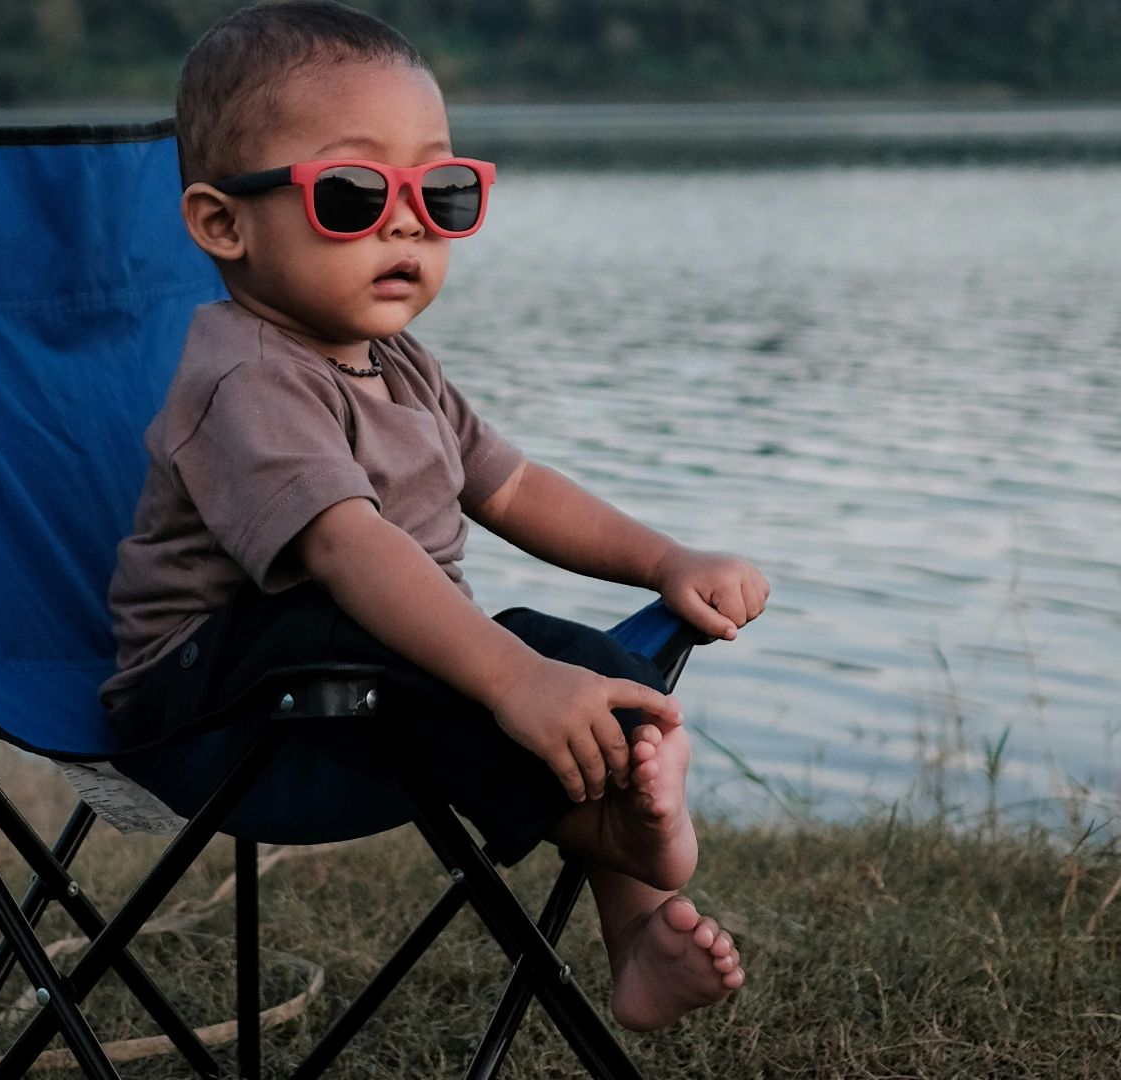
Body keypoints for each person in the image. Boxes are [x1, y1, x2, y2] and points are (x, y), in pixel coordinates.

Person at [98, 0, 767, 1032]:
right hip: (208, 720)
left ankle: (635, 919)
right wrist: (509, 681)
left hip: (367, 698)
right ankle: (620, 828)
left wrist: (662, 562)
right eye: (354, 192)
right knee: (390, 616)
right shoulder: (246, 377)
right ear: (223, 222)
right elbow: (347, 545)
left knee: (566, 654)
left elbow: (512, 486)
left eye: (442, 191)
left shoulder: (401, 362)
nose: (407, 220)